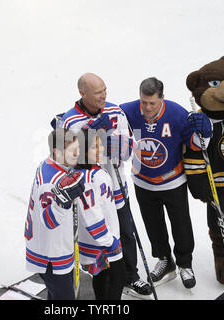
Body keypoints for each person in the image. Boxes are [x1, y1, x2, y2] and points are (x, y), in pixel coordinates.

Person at [55, 73, 153, 298]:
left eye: (105, 90)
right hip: (89, 194)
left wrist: (107, 140)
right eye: (98, 92)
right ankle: (101, 278)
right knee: (97, 237)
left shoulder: (115, 112)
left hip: (116, 187)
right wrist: (89, 136)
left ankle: (130, 277)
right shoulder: (68, 121)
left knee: (126, 233)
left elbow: (129, 152)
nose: (104, 96)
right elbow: (65, 161)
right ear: (83, 93)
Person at [120, 77, 212, 289]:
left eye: (152, 103)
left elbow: (197, 145)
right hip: (143, 181)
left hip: (173, 181)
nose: (147, 107)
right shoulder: (128, 111)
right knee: (153, 225)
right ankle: (165, 260)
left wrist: (205, 132)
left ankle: (184, 263)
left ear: (162, 98)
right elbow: (106, 114)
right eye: (144, 102)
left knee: (180, 224)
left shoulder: (177, 114)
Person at [24, 128, 85, 300]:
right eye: (73, 151)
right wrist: (62, 201)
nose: (78, 154)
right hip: (50, 256)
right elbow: (49, 221)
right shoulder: (49, 183)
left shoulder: (49, 163)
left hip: (50, 247)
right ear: (57, 152)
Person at [75, 128, 126, 300]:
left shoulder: (80, 173)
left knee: (101, 277)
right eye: (94, 148)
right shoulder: (94, 177)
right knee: (118, 277)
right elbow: (93, 215)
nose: (100, 151)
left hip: (91, 241)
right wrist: (109, 241)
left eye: (100, 146)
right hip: (104, 241)